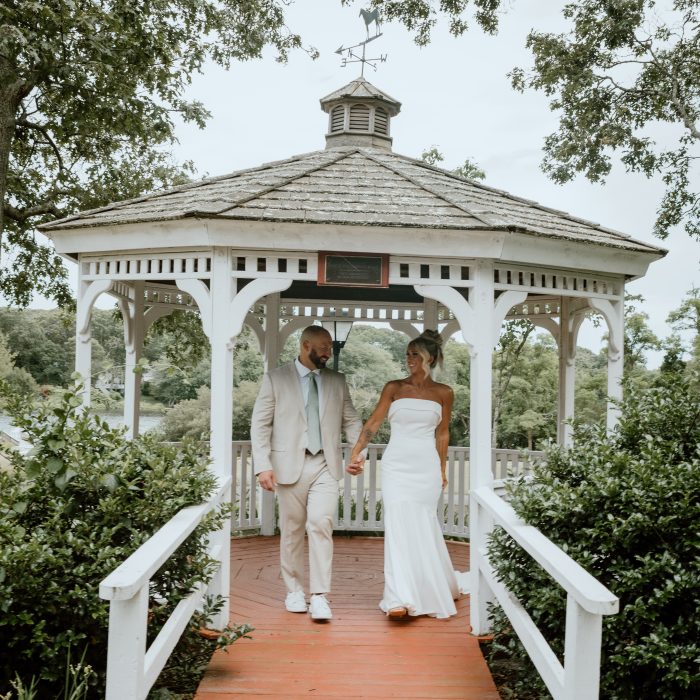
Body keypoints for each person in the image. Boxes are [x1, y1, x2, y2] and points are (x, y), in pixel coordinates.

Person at [347, 329, 468, 619]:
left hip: (425, 467)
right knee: (398, 525)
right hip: (396, 465)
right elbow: (373, 423)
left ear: (432, 358)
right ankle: (398, 598)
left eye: (416, 354)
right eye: (408, 354)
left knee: (423, 525)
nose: (409, 359)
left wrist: (441, 469)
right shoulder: (394, 388)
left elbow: (442, 433)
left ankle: (429, 585)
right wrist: (356, 453)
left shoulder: (444, 393)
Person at [251, 325, 364, 621]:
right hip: (289, 467)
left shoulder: (337, 381)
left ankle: (320, 596)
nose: (329, 351)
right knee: (291, 530)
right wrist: (263, 465)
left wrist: (357, 452)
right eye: (324, 346)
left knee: (320, 523)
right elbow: (260, 425)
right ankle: (294, 591)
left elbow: (351, 420)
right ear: (305, 345)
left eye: (329, 346)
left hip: (326, 464)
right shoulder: (276, 379)